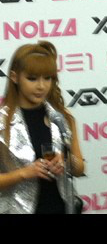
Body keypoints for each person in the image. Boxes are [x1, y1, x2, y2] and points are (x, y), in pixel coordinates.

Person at [0, 41, 86, 214]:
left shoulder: (62, 117)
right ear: (15, 77)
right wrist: (24, 173)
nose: (41, 86)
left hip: (62, 207)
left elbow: (79, 169)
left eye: (47, 78)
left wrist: (65, 162)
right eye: (32, 78)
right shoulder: (2, 122)